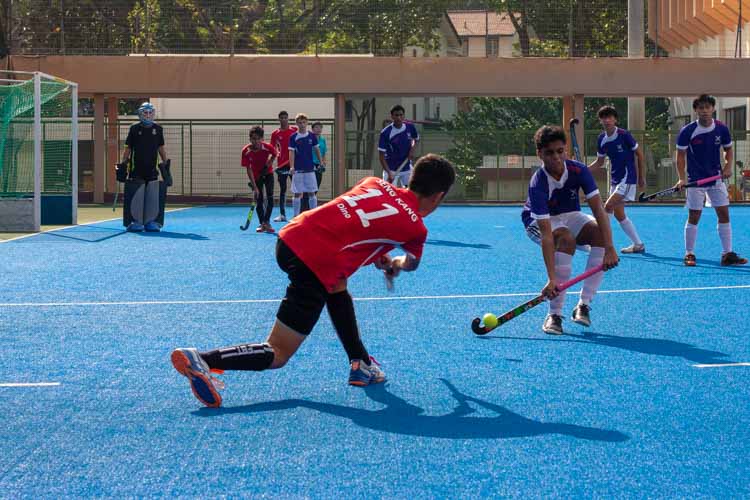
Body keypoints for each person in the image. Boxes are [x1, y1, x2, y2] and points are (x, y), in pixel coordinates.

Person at [170, 154, 456, 408]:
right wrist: (394, 263)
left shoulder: (375, 183)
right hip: (315, 261)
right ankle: (204, 359)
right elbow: (411, 263)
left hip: (291, 237)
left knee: (337, 284)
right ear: (438, 196)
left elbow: (355, 224)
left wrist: (375, 254)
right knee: (278, 352)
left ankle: (361, 363)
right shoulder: (416, 228)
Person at [521, 125, 619, 335]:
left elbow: (599, 211)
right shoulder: (538, 182)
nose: (556, 157)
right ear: (539, 154)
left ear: (565, 150)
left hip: (569, 215)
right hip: (537, 221)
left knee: (600, 232)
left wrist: (610, 248)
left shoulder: (578, 170)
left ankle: (583, 305)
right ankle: (554, 314)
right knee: (565, 239)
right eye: (549, 153)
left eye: (560, 151)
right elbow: (547, 236)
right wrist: (551, 279)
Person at [675, 94, 747, 267]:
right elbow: (680, 157)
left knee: (723, 213)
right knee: (694, 215)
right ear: (696, 110)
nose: (705, 111)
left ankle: (727, 254)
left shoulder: (721, 129)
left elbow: (728, 151)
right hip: (695, 181)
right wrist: (681, 179)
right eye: (701, 108)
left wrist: (728, 166)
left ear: (713, 109)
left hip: (716, 179)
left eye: (708, 107)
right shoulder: (688, 131)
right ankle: (689, 253)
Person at [588, 105, 646, 254]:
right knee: (620, 215)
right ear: (600, 120)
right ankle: (638, 244)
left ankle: (602, 244)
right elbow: (599, 162)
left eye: (610, 117)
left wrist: (641, 177)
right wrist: (583, 170)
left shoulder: (624, 134)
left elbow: (639, 154)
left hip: (628, 178)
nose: (607, 120)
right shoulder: (601, 139)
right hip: (615, 179)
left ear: (615, 119)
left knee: (607, 207)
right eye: (604, 117)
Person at [116, 102, 171, 232]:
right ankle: (136, 221)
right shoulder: (134, 129)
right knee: (136, 195)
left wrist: (166, 163)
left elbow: (160, 148)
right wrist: (124, 164)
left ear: (153, 114)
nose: (147, 115)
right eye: (145, 113)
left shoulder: (158, 129)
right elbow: (128, 148)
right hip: (136, 169)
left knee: (152, 195)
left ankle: (151, 222)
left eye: (150, 112)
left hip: (152, 169)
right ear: (140, 114)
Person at [241, 126, 277, 233]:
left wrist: (269, 162)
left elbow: (275, 154)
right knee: (259, 199)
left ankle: (267, 222)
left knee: (270, 198)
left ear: (262, 139)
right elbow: (249, 169)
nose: (255, 141)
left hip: (268, 174)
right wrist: (255, 187)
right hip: (256, 176)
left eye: (258, 139)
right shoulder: (246, 151)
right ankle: (262, 224)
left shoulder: (268, 147)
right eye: (253, 139)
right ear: (250, 139)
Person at [288, 113, 324, 217]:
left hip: (310, 169)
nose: (302, 124)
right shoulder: (293, 137)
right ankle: (295, 217)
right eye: (300, 123)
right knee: (297, 193)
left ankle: (313, 215)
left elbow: (317, 149)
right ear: (296, 124)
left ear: (307, 123)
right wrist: (292, 166)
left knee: (312, 193)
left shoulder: (312, 136)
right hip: (298, 170)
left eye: (304, 122)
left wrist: (321, 162)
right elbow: (291, 152)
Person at [378, 105, 420, 187]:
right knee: (390, 196)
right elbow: (381, 157)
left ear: (404, 116)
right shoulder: (385, 133)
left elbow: (416, 139)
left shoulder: (410, 127)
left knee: (411, 193)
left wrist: (412, 150)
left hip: (406, 167)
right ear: (392, 116)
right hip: (391, 169)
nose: (399, 118)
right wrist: (389, 172)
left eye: (401, 115)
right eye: (396, 115)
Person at [270, 111, 298, 223]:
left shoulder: (294, 130)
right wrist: (272, 162)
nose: (284, 120)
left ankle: (297, 215)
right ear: (279, 119)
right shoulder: (275, 133)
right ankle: (282, 215)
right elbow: (273, 149)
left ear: (288, 119)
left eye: (285, 117)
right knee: (283, 190)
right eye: (281, 118)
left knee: (297, 189)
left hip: (293, 165)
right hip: (281, 165)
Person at [311, 121, 327, 188]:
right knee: (310, 185)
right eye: (316, 127)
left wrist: (324, 162)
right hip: (311, 164)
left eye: (320, 127)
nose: (318, 129)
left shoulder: (323, 140)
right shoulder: (309, 139)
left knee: (317, 184)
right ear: (312, 129)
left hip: (320, 165)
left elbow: (324, 152)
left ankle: (312, 198)